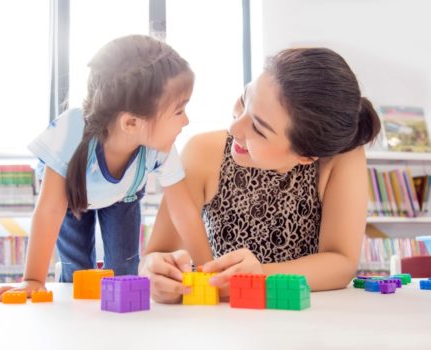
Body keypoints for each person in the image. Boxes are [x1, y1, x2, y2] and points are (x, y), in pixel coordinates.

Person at [139, 47, 381, 303]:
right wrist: (156, 271)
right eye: (245, 99)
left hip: (307, 323)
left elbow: (341, 263)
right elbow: (159, 253)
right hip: (224, 324)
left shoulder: (342, 158)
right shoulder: (203, 152)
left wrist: (259, 276)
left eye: (259, 128)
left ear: (305, 156)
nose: (234, 127)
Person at [0, 34, 212, 302]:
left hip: (122, 196)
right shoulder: (70, 130)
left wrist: (209, 272)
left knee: (124, 272)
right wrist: (33, 280)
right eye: (179, 111)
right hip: (71, 197)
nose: (187, 121)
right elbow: (49, 210)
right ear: (131, 123)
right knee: (78, 272)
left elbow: (184, 212)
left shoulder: (161, 146)